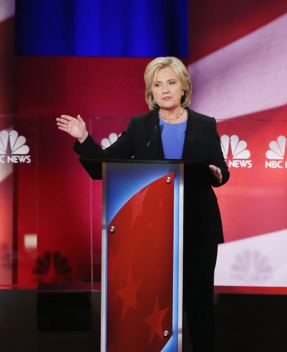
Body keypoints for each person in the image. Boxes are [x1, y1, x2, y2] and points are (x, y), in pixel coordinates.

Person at [57, 56, 229, 351]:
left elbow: (221, 169)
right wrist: (84, 138)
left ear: (183, 87)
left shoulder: (205, 124)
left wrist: (217, 173)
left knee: (199, 304)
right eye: (157, 84)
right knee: (155, 304)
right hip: (153, 229)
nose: (164, 90)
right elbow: (106, 164)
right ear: (151, 91)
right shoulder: (140, 126)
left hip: (198, 227)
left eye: (171, 83)